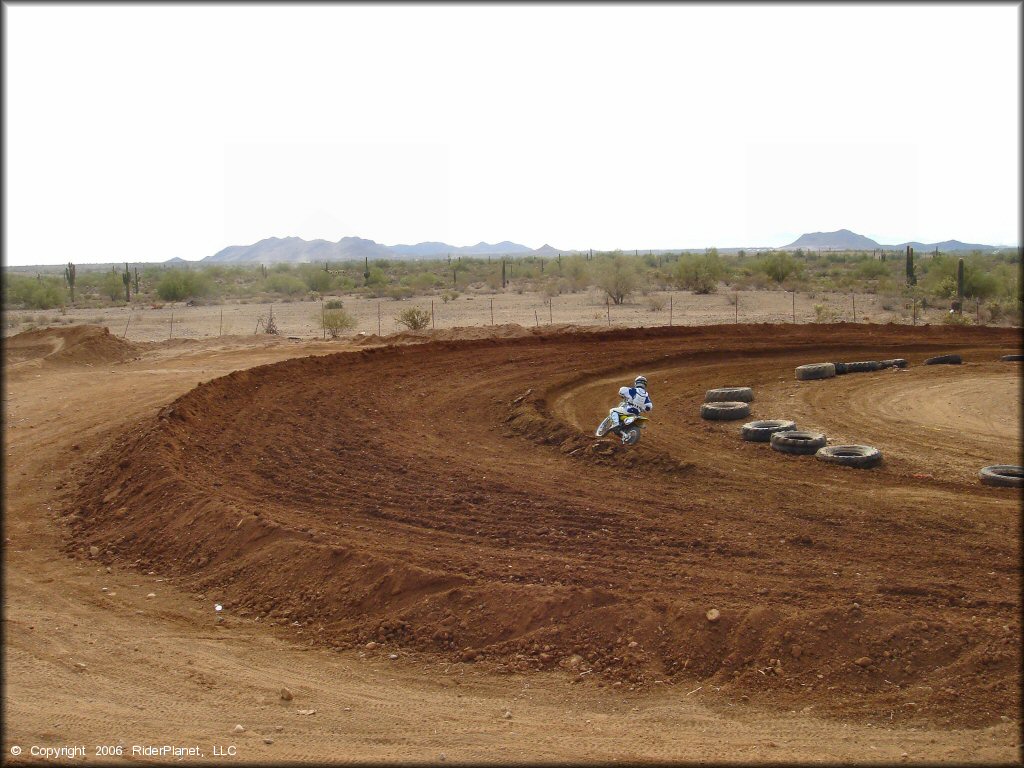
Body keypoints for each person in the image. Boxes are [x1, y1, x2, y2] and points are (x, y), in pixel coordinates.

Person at [608, 375, 653, 441]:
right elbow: (649, 406)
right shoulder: (646, 395)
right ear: (645, 384)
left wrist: (623, 395)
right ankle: (624, 430)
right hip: (637, 413)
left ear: (636, 383)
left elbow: (621, 390)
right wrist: (644, 408)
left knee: (613, 410)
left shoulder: (633, 390)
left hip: (628, 409)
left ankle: (616, 424)